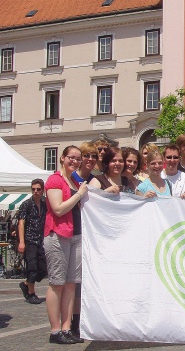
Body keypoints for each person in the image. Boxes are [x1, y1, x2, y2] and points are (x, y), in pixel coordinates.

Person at [44, 146, 87, 344]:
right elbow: (58, 209)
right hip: (58, 234)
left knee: (71, 284)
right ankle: (55, 331)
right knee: (57, 284)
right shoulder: (55, 179)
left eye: (78, 159)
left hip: (76, 235)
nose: (75, 161)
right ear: (62, 158)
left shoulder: (75, 180)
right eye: (71, 158)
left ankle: (66, 328)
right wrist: (79, 195)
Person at [17, 179, 48, 305]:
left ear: (42, 190)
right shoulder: (26, 204)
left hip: (41, 240)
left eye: (38, 189)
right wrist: (21, 242)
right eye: (33, 189)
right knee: (32, 267)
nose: (35, 191)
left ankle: (25, 284)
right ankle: (31, 293)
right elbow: (21, 223)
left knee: (43, 269)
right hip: (29, 240)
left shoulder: (45, 204)